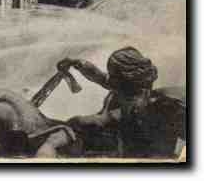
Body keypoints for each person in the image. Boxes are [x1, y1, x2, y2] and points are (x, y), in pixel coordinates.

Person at [56, 47, 185, 158]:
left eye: (113, 74)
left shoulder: (153, 106)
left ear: (125, 78)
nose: (109, 78)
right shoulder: (127, 90)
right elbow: (100, 77)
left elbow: (103, 120)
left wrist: (76, 122)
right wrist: (78, 64)